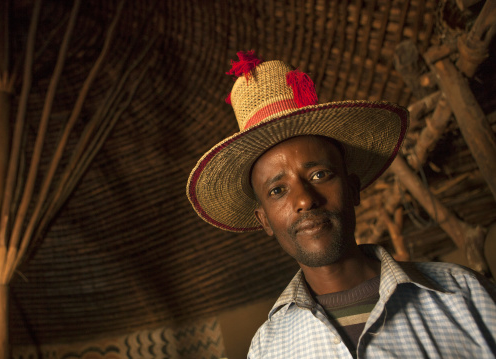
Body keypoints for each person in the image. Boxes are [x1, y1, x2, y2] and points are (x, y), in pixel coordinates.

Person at [187, 51, 496, 358]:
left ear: (352, 188)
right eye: (278, 190)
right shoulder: (268, 349)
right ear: (264, 220)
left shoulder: (463, 295)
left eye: (319, 174)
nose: (305, 200)